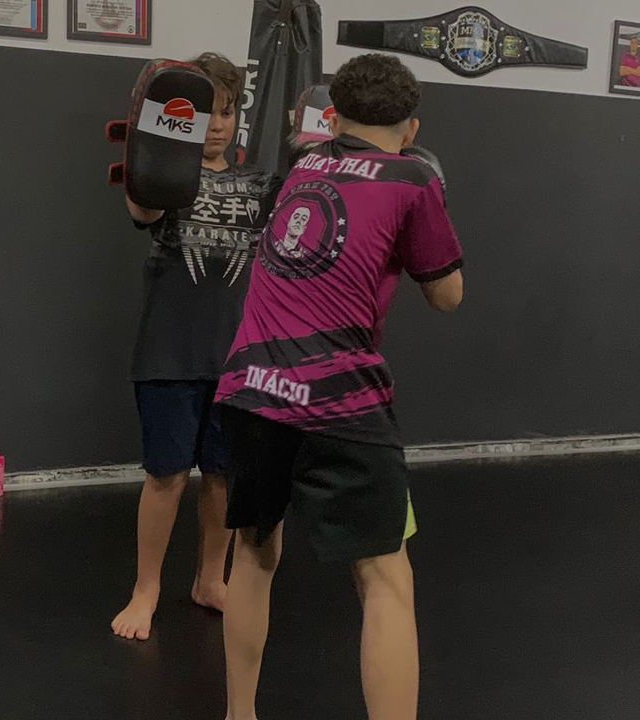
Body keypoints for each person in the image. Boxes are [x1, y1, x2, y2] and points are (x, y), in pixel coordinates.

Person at [215, 54, 464, 720]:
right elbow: (447, 296)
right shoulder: (414, 177)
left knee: (254, 551)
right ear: (411, 128)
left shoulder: (301, 168)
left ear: (335, 118)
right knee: (385, 577)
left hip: (251, 388)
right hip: (340, 401)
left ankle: (239, 715)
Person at [112, 53, 282, 642]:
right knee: (166, 475)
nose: (217, 124)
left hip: (235, 356)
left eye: (227, 112)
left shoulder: (259, 184)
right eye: (206, 113)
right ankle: (146, 589)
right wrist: (156, 144)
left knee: (222, 475)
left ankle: (211, 579)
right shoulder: (164, 176)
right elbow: (142, 207)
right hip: (169, 351)